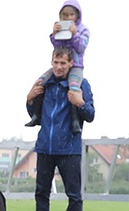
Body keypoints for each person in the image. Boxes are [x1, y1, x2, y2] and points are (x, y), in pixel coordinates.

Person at [23, 45, 95, 211]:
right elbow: (34, 114)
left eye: (63, 63)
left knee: (74, 196)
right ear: (51, 61)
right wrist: (29, 98)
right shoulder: (46, 84)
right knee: (41, 194)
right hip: (45, 146)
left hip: (69, 148)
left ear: (71, 64)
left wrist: (80, 103)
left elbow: (90, 115)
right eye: (55, 62)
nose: (58, 66)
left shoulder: (81, 84)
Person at [25, 0, 90, 134]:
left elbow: (81, 47)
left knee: (73, 87)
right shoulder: (61, 27)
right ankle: (36, 115)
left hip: (76, 65)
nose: (68, 18)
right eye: (65, 15)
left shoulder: (83, 30)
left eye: (71, 14)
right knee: (40, 82)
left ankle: (75, 121)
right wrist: (54, 34)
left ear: (77, 15)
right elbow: (57, 48)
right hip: (62, 60)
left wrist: (74, 34)